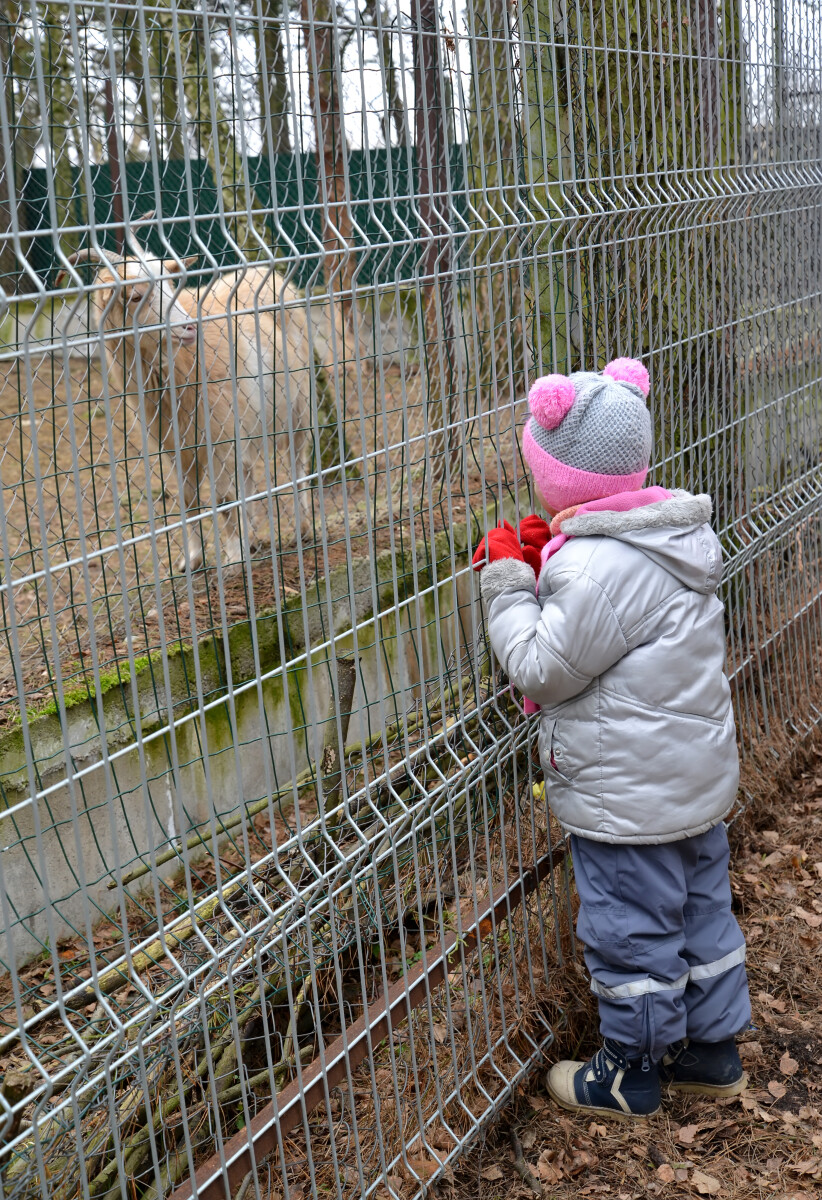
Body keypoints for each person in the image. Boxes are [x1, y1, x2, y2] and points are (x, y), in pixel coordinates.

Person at [473, 359, 751, 1120]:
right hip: (690, 781)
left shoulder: (597, 569)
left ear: (562, 480)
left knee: (629, 927)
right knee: (699, 911)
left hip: (628, 799)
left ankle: (631, 1071)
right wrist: (550, 565)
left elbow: (541, 665)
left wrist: (507, 582)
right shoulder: (672, 537)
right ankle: (712, 1051)